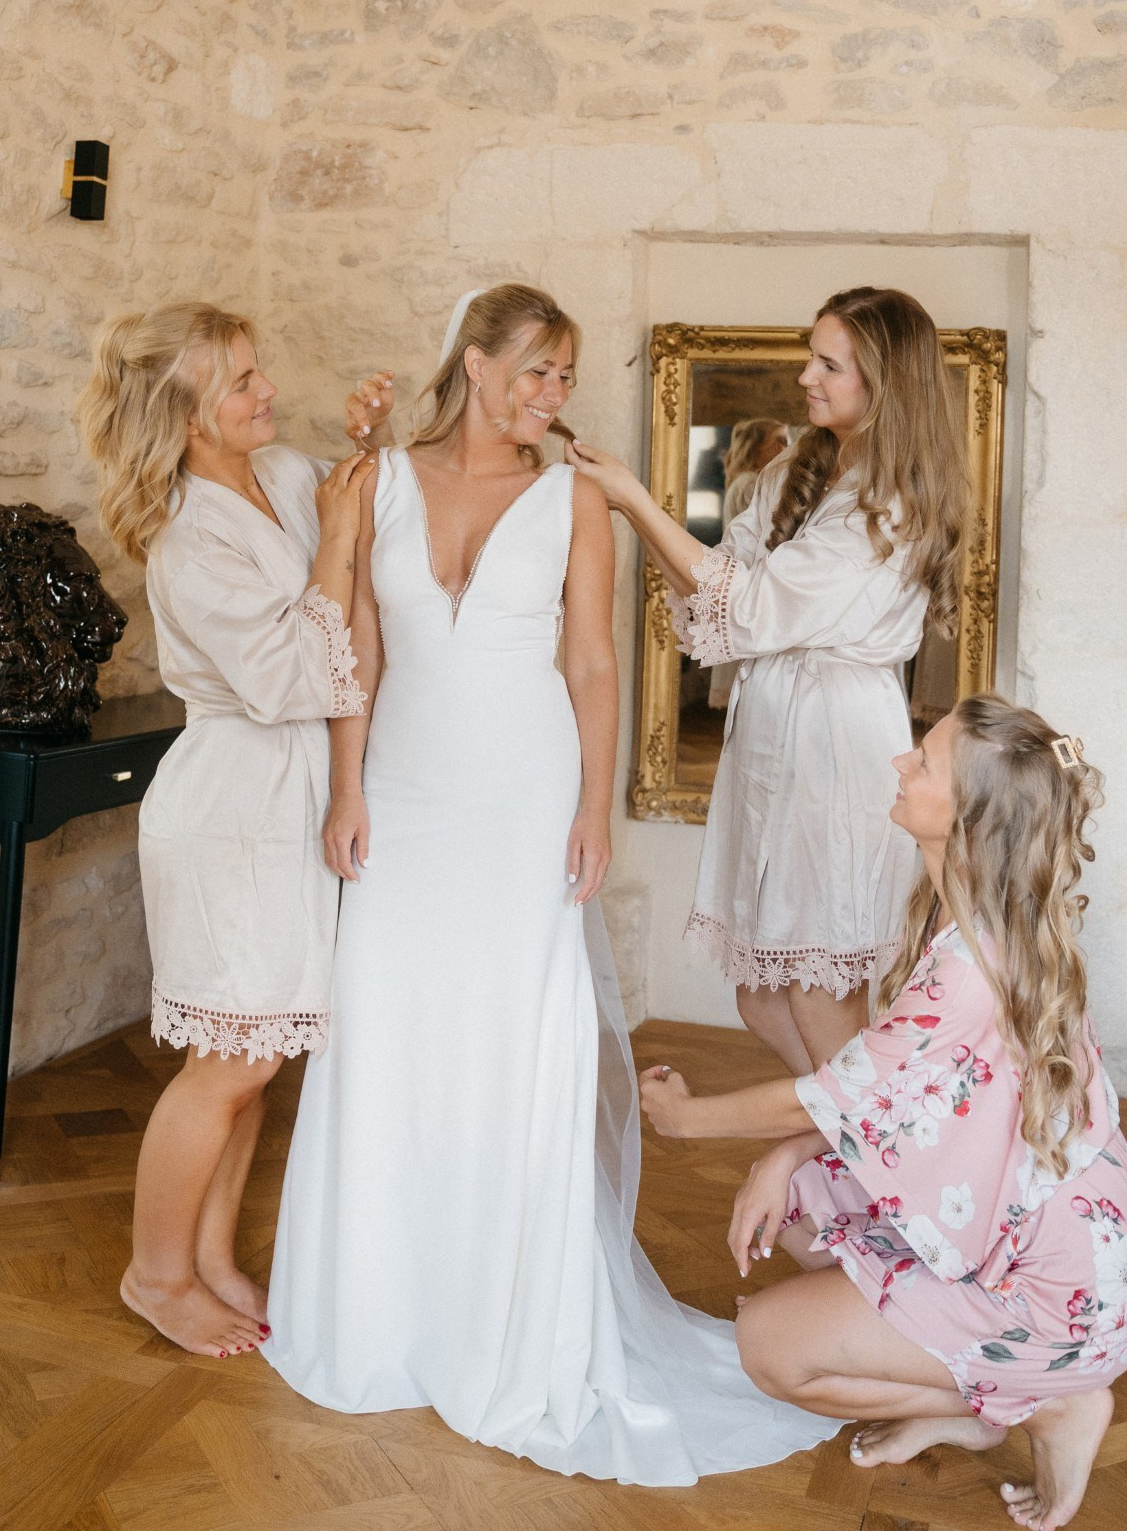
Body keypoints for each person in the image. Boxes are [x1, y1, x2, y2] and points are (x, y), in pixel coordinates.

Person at [264, 283, 835, 1483]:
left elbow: (590, 663)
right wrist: (344, 788)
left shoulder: (575, 497)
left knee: (508, 1037)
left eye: (565, 375)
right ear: (474, 363)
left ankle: (503, 1313)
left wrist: (592, 808)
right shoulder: (378, 480)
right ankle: (383, 1310)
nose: (553, 394)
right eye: (536, 369)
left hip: (522, 807)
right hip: (401, 799)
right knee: (386, 1029)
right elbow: (356, 648)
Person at [640, 695, 1127, 1531]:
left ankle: (1048, 1405)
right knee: (794, 1200)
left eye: (923, 762)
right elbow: (883, 1092)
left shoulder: (969, 967)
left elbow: (833, 1091)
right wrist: (785, 1156)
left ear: (968, 817)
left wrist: (685, 1118)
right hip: (1076, 1252)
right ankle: (982, 1402)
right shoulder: (976, 917)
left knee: (769, 1349)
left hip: (1065, 1298)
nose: (898, 764)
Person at [78, 303, 389, 1359]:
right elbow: (295, 678)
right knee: (224, 1064)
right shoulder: (189, 542)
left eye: (259, 371)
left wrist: (370, 441)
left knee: (258, 1050)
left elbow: (373, 524)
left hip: (289, 803)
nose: (269, 392)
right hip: (228, 812)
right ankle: (154, 1274)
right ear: (187, 418)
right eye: (243, 382)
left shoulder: (286, 476)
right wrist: (335, 541)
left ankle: (210, 1255)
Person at [571, 287, 968, 1076]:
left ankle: (864, 1139)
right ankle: (849, 1130)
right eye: (809, 358)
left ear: (885, 382)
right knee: (760, 995)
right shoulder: (800, 467)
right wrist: (636, 515)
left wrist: (633, 498)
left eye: (829, 365)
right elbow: (718, 581)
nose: (805, 378)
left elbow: (750, 606)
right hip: (771, 739)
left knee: (818, 994)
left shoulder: (889, 504)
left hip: (834, 746)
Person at [709, 418, 790, 712]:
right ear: (756, 449)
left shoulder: (746, 482)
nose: (785, 447)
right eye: (778, 441)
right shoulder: (751, 484)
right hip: (749, 580)